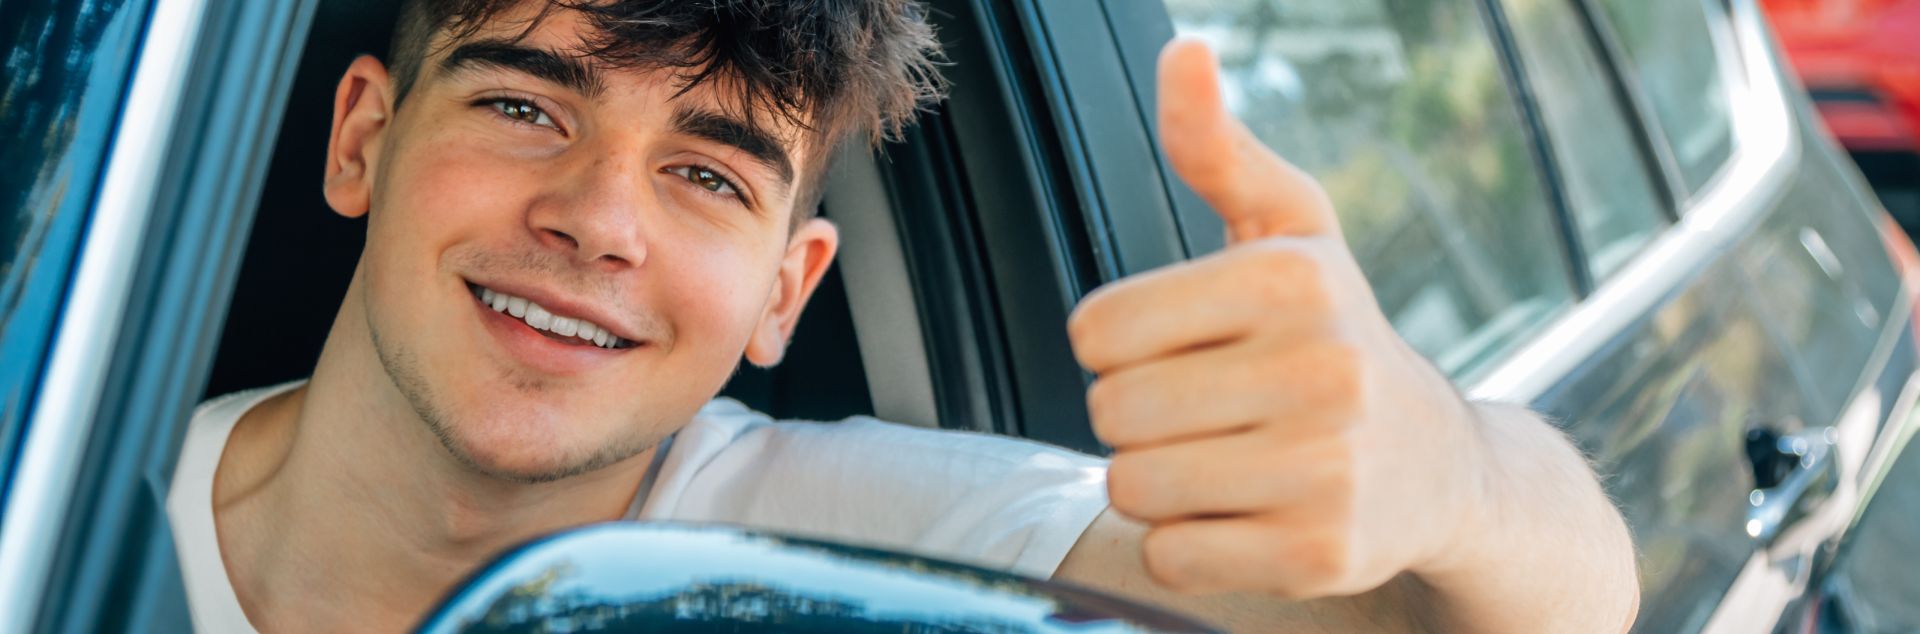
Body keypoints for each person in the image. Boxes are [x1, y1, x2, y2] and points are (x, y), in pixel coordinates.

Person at [166, 0, 1640, 631]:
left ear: (785, 294)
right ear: (361, 137)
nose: (599, 221)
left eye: (705, 177)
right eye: (520, 103)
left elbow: (1475, 618)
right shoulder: (51, 479)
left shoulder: (851, 553)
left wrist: (1451, 463)